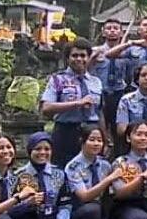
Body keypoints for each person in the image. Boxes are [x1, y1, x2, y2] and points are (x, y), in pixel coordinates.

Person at [9, 133, 78, 219]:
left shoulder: (59, 174)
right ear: (30, 151)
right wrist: (27, 204)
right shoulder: (18, 176)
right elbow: (8, 210)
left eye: (47, 149)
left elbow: (65, 204)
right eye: (38, 149)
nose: (42, 152)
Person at [64, 126, 125, 219]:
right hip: (78, 213)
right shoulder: (73, 166)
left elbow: (113, 192)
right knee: (91, 209)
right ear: (82, 141)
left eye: (99, 140)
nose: (96, 144)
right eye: (92, 140)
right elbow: (84, 196)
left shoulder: (105, 165)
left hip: (99, 214)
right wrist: (108, 179)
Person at [39, 38, 104, 167]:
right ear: (67, 58)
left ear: (88, 57)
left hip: (91, 132)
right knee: (62, 170)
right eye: (74, 56)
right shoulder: (58, 80)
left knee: (91, 170)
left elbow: (100, 111)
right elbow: (46, 108)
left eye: (83, 55)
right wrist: (77, 103)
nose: (79, 59)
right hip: (66, 132)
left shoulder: (96, 82)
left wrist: (105, 137)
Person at [90, 19, 128, 154]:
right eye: (109, 28)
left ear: (121, 32)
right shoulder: (95, 51)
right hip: (100, 93)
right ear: (103, 32)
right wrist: (92, 58)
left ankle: (119, 156)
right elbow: (86, 70)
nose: (112, 31)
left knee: (119, 128)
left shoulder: (126, 52)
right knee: (99, 127)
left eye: (116, 28)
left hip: (119, 92)